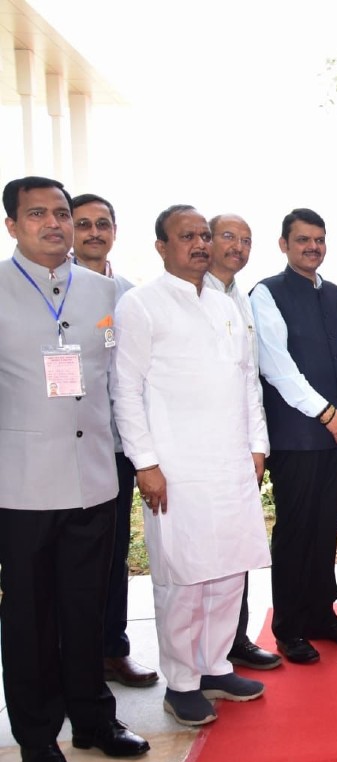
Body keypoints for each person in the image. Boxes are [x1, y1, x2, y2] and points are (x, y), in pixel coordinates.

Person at [0, 176, 149, 762]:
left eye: (61, 213)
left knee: (87, 609)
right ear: (12, 225)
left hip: (95, 480)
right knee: (31, 620)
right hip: (22, 487)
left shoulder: (105, 292)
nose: (55, 225)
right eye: (38, 214)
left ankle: (94, 720)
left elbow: (118, 375)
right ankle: (38, 737)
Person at [112, 205, 271, 726]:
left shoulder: (227, 304)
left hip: (232, 463)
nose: (201, 244)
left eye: (205, 235)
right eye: (188, 236)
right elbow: (126, 389)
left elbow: (247, 381)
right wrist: (145, 463)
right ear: (161, 246)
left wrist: (258, 445)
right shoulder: (142, 304)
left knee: (228, 572)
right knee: (183, 576)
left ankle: (215, 666)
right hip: (176, 467)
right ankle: (181, 681)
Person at [250, 208, 337, 664]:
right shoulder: (267, 293)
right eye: (302, 240)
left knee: (325, 529)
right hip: (300, 435)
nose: (312, 247)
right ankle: (290, 627)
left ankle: (322, 615)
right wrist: (327, 413)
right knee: (296, 531)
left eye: (319, 240)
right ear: (283, 244)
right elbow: (276, 366)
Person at [69, 193, 160, 688]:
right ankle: (68, 658)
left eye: (102, 223)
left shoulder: (129, 295)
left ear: (115, 231)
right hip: (65, 448)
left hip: (119, 445)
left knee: (113, 551)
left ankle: (111, 648)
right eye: (83, 224)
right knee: (69, 557)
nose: (93, 233)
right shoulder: (54, 291)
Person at [204, 213, 282, 670]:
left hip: (242, 446)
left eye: (245, 240)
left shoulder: (244, 298)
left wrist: (258, 445)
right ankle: (204, 654)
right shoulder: (194, 296)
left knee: (236, 547)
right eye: (227, 237)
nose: (237, 246)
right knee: (204, 555)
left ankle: (235, 640)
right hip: (203, 449)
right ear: (206, 242)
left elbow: (251, 379)